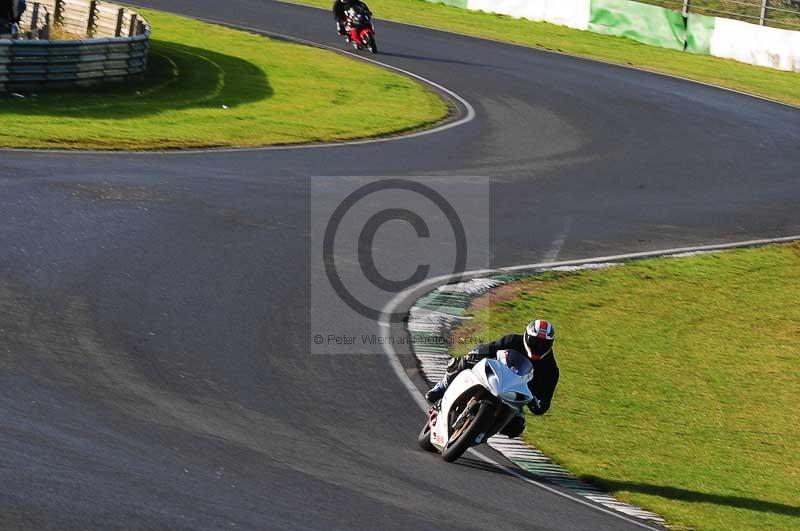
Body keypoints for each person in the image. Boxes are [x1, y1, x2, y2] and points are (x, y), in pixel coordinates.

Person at [425, 319, 560, 438]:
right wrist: (475, 354)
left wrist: (537, 403)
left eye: (544, 344)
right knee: (462, 362)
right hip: (493, 375)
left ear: (551, 344)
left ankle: (481, 430)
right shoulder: (513, 340)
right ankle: (442, 386)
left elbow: (544, 402)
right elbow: (489, 348)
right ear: (527, 336)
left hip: (513, 394)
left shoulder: (551, 370)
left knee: (516, 427)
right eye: (535, 342)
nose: (538, 347)